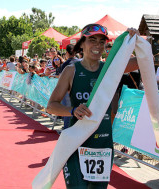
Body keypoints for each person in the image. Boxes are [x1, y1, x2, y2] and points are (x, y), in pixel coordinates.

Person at [46, 24, 139, 188]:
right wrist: (72, 110)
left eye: (102, 42)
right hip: (76, 142)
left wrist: (135, 40)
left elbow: (142, 60)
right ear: (82, 43)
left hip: (102, 145)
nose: (97, 46)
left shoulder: (110, 69)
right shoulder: (71, 70)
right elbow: (51, 106)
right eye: (92, 40)